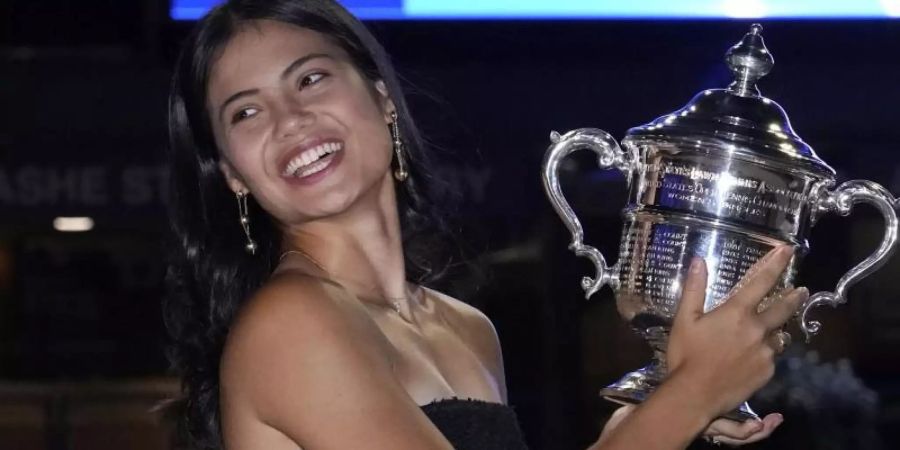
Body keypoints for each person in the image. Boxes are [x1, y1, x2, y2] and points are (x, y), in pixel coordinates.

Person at [162, 1, 809, 448]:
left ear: (382, 98)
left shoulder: (467, 331)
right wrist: (690, 396)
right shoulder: (290, 325)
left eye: (311, 78)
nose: (290, 120)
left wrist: (663, 401)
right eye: (246, 114)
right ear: (233, 174)